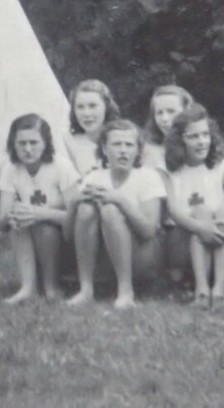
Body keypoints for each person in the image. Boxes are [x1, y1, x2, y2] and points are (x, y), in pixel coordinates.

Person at [67, 119, 165, 310]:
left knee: (111, 210)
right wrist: (74, 203)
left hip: (143, 257)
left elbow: (149, 231)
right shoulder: (94, 177)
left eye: (129, 145)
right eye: (116, 144)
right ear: (104, 149)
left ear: (138, 150)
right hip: (104, 257)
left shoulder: (148, 177)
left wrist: (119, 199)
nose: (123, 150)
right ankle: (86, 290)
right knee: (86, 208)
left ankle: (126, 292)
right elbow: (67, 235)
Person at [163, 104, 224, 310]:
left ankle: (219, 291)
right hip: (184, 243)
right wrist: (201, 227)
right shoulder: (171, 173)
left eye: (205, 135)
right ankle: (201, 291)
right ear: (179, 140)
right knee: (201, 211)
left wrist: (223, 226)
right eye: (193, 136)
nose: (202, 141)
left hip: (222, 241)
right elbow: (174, 213)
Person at [0, 114, 79, 303]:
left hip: (66, 241)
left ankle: (52, 287)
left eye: (34, 142)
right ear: (13, 144)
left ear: (45, 143)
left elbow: (77, 218)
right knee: (17, 224)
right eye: (21, 143)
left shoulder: (61, 166)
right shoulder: (10, 169)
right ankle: (28, 287)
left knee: (44, 228)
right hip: (31, 242)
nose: (27, 149)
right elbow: (0, 223)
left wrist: (40, 213)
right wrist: (13, 214)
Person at [63, 79, 120, 176]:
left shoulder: (122, 137)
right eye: (80, 107)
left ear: (106, 106)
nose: (86, 113)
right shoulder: (68, 141)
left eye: (92, 106)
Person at [139, 84, 194, 175]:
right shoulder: (150, 153)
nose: (164, 119)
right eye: (159, 113)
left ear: (187, 112)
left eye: (171, 111)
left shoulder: (200, 145)